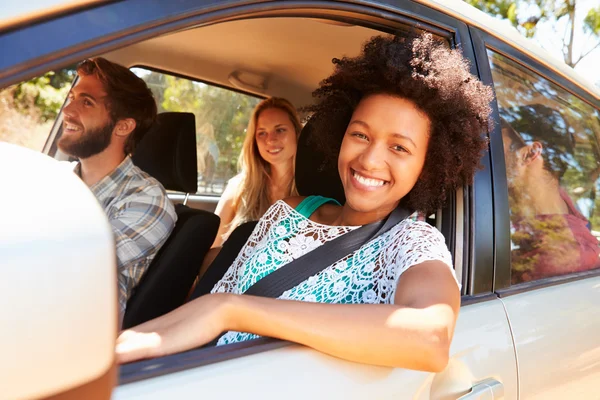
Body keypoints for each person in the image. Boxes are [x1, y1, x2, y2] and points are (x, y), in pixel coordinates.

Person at [115, 33, 493, 372]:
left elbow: (430, 339)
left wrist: (233, 310)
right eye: (360, 134)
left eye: (399, 147)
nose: (370, 160)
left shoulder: (412, 243)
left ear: (428, 165)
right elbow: (207, 303)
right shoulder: (294, 209)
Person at [58, 57, 177, 319]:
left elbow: (75, 264)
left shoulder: (146, 198)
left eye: (86, 102)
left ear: (123, 126)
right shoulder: (56, 180)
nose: (68, 110)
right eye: (73, 97)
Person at [500, 118, 600, 283]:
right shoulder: (559, 203)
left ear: (531, 153)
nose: (483, 152)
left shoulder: (553, 260)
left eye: (496, 145)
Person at [212, 97, 302, 248]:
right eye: (262, 133)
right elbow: (212, 247)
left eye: (280, 130)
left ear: (297, 133)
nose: (270, 140)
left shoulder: (312, 190)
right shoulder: (239, 187)